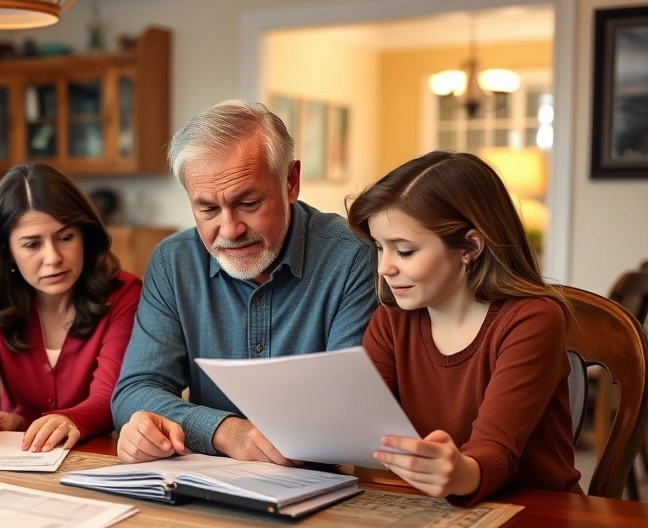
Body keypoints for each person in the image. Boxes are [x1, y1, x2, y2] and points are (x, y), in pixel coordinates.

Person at [111, 99, 376, 464]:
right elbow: (135, 391)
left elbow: (347, 404)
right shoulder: (174, 262)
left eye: (249, 203)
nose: (230, 230)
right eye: (207, 209)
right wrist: (226, 432)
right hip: (209, 484)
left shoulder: (352, 256)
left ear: (291, 182)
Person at [346, 150, 581, 506]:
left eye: (405, 251)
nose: (384, 268)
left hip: (536, 513)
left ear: (470, 247)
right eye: (380, 248)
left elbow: (496, 450)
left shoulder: (533, 319)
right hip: (427, 507)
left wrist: (459, 471)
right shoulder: (392, 320)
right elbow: (362, 423)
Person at [0, 163, 141, 452]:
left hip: (90, 453)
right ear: (7, 252)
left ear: (85, 236)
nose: (53, 258)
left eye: (66, 237)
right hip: (12, 449)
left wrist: (69, 420)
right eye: (32, 245)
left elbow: (110, 396)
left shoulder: (124, 294)